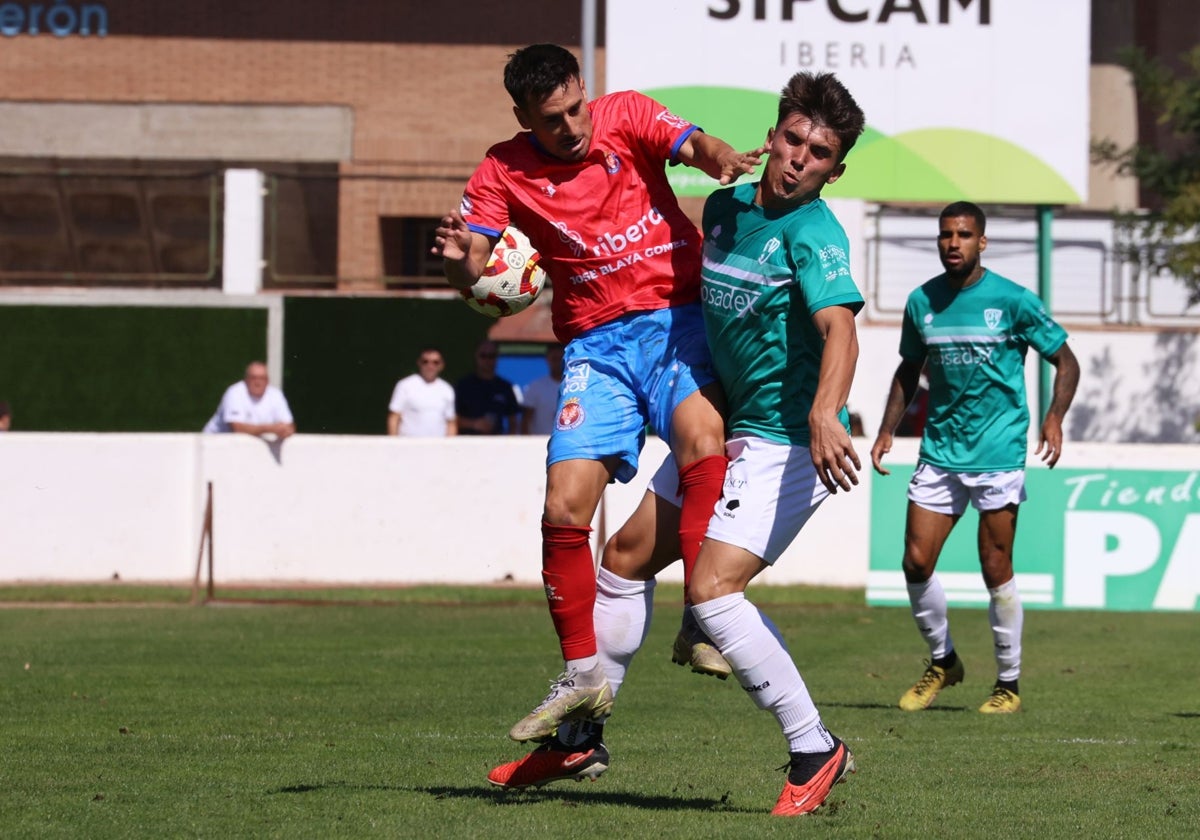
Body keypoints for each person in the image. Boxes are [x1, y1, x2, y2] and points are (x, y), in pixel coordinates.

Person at [488, 70, 867, 817]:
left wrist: (827, 412)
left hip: (790, 443)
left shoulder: (815, 233)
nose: (799, 159)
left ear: (835, 169)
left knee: (714, 593)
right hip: (735, 427)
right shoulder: (725, 208)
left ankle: (814, 746)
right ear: (776, 133)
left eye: (819, 153)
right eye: (793, 139)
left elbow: (841, 328)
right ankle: (581, 736)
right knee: (623, 560)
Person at [434, 43, 766, 745]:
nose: (572, 127)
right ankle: (582, 675)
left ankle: (702, 613)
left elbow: (693, 143)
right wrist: (461, 263)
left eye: (576, 108)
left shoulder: (626, 114)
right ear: (523, 115)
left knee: (704, 441)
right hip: (594, 347)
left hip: (676, 319)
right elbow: (477, 269)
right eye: (551, 119)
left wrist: (722, 158)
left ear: (587, 90)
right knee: (563, 504)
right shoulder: (501, 168)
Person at [870, 201, 1080, 715]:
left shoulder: (1012, 301)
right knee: (915, 562)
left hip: (999, 452)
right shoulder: (922, 301)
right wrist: (885, 430)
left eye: (964, 234)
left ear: (981, 242)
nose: (953, 243)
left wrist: (1054, 417)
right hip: (940, 450)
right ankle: (943, 660)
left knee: (995, 566)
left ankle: (1008, 682)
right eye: (946, 234)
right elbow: (907, 369)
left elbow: (1065, 361)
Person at [202, 361, 295, 439]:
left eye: (262, 378)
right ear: (246, 379)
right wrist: (269, 429)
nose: (258, 382)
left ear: (267, 381)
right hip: (214, 444)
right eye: (254, 378)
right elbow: (237, 428)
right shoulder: (235, 392)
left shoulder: (276, 395)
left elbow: (289, 426)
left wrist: (284, 430)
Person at [454, 339, 522, 435]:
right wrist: (474, 424)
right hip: (468, 443)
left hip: (496, 445)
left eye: (491, 356)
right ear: (476, 357)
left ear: (497, 358)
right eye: (483, 356)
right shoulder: (463, 386)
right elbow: (452, 420)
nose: (487, 360)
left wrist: (509, 444)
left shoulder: (505, 387)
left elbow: (513, 422)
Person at [387, 346, 457, 437]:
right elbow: (394, 417)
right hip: (408, 448)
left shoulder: (447, 389)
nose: (430, 366)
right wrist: (394, 444)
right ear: (419, 363)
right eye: (425, 361)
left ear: (441, 365)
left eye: (435, 362)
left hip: (437, 448)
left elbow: (451, 422)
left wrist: (449, 448)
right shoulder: (405, 385)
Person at [520, 343, 564, 435]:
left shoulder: (575, 387)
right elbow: (525, 421)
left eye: (560, 359)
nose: (557, 362)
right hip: (539, 445)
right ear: (547, 359)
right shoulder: (535, 387)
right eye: (554, 359)